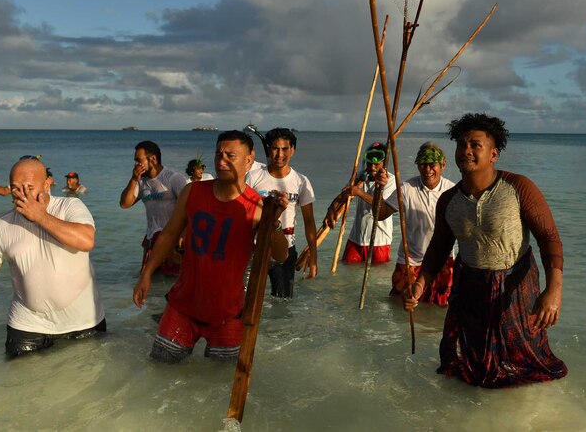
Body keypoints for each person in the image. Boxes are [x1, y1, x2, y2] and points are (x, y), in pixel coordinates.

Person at [403, 113, 567, 388]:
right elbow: (439, 248)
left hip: (515, 286)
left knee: (523, 364)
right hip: (469, 286)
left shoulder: (518, 187)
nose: (466, 150)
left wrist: (554, 291)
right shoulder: (448, 200)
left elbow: (549, 239)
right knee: (462, 364)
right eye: (461, 144)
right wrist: (419, 285)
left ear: (494, 153)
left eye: (475, 145)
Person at [132, 130, 290, 363]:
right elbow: (169, 235)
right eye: (218, 154)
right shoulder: (193, 191)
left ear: (249, 160)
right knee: (159, 368)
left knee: (219, 382)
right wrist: (146, 274)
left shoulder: (257, 206)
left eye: (230, 156)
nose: (221, 160)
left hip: (228, 313)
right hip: (183, 306)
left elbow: (281, 254)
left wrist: (273, 221)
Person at [0, 158, 105, 357]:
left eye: (29, 187)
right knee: (19, 385)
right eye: (15, 188)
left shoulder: (70, 206)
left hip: (83, 321)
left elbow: (86, 241)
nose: (21, 194)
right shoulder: (2, 225)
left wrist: (40, 216)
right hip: (27, 324)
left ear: (47, 185)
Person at [374, 142, 456, 306]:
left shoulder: (452, 190)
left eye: (432, 165)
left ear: (443, 165)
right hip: (410, 262)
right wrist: (379, 189)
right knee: (400, 307)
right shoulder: (406, 188)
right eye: (423, 165)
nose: (427, 170)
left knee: (440, 308)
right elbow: (380, 215)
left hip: (442, 261)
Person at [246, 128, 319, 297]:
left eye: (285, 149)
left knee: (283, 301)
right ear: (268, 149)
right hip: (255, 248)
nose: (279, 154)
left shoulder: (301, 181)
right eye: (275, 148)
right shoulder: (253, 177)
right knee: (248, 298)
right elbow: (243, 214)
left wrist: (313, 256)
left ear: (292, 150)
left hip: (286, 249)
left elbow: (309, 222)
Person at [119, 141, 188, 277]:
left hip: (173, 241)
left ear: (153, 159)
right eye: (135, 161)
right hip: (151, 240)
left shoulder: (173, 178)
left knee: (175, 281)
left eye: (139, 161)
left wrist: (184, 233)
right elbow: (124, 204)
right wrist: (133, 180)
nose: (136, 165)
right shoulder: (141, 182)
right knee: (148, 281)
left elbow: (189, 207)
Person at [325, 142, 395, 265]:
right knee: (348, 271)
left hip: (379, 241)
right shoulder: (360, 177)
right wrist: (331, 207)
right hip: (356, 239)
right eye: (369, 163)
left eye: (376, 164)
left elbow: (381, 206)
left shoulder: (390, 180)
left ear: (384, 163)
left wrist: (359, 193)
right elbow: (344, 194)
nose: (372, 167)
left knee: (375, 278)